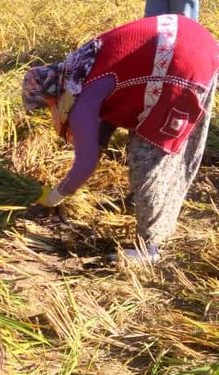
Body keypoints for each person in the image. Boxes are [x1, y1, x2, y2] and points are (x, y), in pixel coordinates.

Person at [22, 15, 219, 263]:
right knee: (151, 142)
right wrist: (95, 141)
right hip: (191, 39)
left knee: (148, 159)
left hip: (182, 63)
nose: (50, 112)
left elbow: (85, 165)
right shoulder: (80, 69)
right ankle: (145, 204)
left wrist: (55, 196)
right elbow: (116, 98)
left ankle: (151, 247)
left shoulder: (82, 103)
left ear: (50, 97)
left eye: (45, 107)